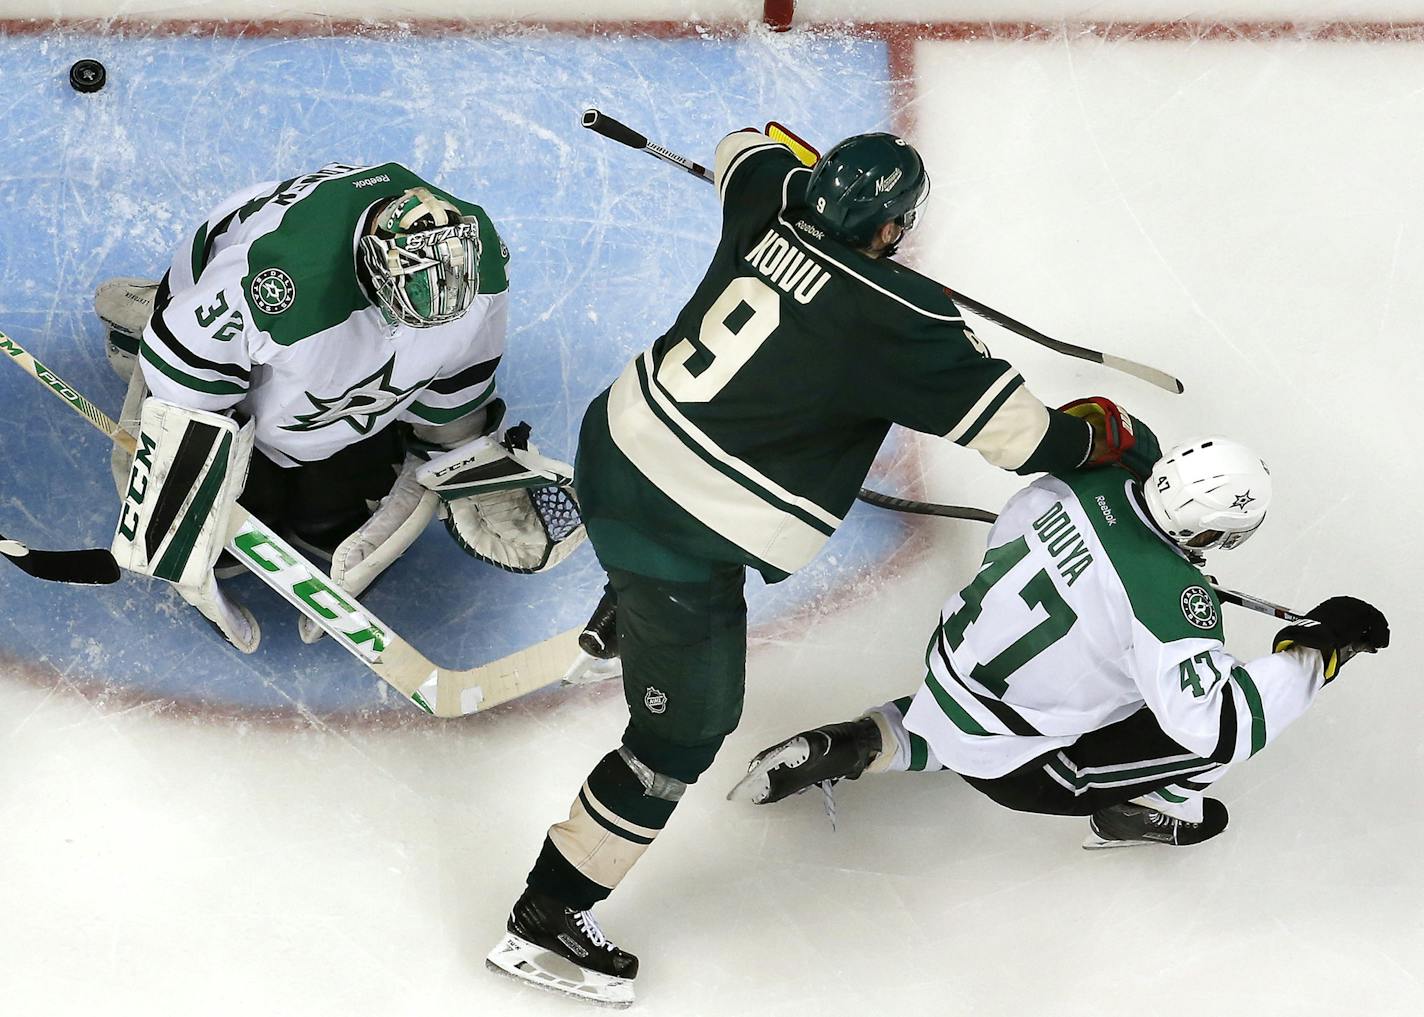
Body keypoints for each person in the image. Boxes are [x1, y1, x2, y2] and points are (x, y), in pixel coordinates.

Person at [485, 128, 1157, 1005]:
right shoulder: (906, 320)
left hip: (613, 449)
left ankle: (629, 599)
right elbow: (1026, 438)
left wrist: (806, 180)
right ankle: (546, 916)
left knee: (655, 534)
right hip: (682, 534)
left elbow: (740, 148)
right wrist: (1103, 434)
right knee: (680, 738)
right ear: (892, 229)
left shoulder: (772, 195)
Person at [731, 437, 1390, 853]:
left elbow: (1103, 443)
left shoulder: (1079, 482)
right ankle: (1147, 812)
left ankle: (850, 742)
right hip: (1029, 769)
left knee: (975, 711)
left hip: (951, 668)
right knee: (1192, 735)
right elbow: (1220, 722)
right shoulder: (1172, 605)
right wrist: (1317, 650)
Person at [94, 162, 582, 653]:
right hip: (239, 372)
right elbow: (186, 396)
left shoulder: (479, 262)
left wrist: (461, 448)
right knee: (219, 545)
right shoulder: (273, 283)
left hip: (349, 400)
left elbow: (463, 364)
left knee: (329, 527)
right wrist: (180, 468)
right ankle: (145, 324)